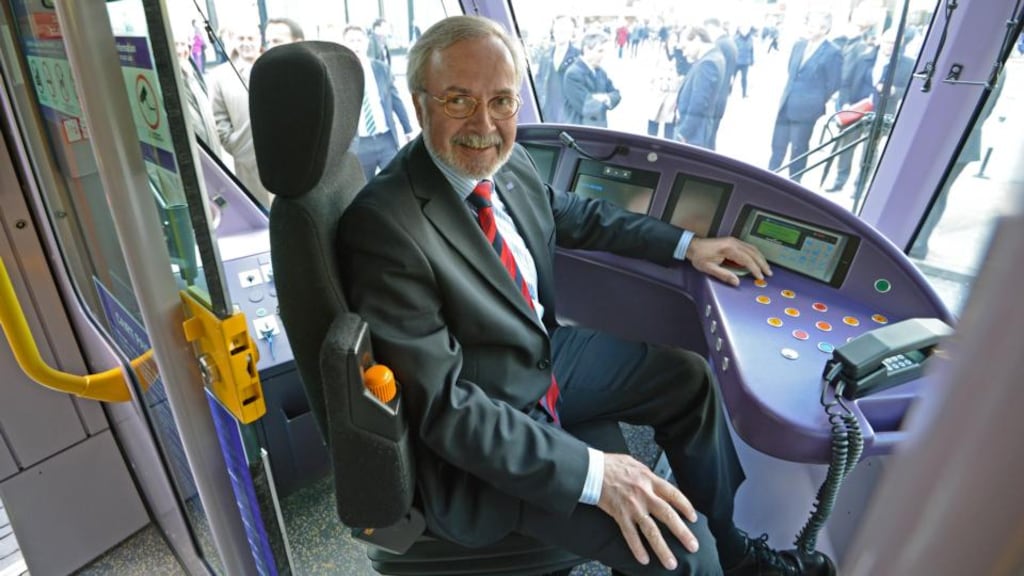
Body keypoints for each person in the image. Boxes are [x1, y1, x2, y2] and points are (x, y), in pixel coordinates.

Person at [338, 14, 836, 576]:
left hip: (537, 363)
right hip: (483, 433)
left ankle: (737, 550)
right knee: (684, 549)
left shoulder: (509, 163)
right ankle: (710, 553)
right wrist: (597, 475)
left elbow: (575, 215)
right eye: (459, 100)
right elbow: (446, 409)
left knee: (688, 377)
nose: (485, 123)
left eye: (502, 101)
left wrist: (686, 245)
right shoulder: (384, 226)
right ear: (420, 102)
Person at [768, 12, 841, 183]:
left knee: (798, 149)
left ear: (825, 29)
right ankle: (768, 179)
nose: (809, 28)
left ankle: (794, 184)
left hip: (807, 110)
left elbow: (834, 82)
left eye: (814, 25)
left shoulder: (833, 52)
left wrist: (814, 100)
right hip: (786, 104)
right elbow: (791, 72)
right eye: (808, 23)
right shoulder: (799, 45)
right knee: (777, 146)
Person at [208, 23, 274, 205]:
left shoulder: (275, 66)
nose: (246, 43)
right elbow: (218, 117)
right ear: (233, 41)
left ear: (259, 39)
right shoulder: (220, 76)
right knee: (259, 209)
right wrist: (235, 145)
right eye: (241, 38)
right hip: (247, 159)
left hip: (282, 152)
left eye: (251, 38)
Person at [340, 24, 415, 181]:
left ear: (366, 42)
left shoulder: (381, 69)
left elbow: (396, 100)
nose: (355, 45)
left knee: (397, 183)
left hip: (386, 140)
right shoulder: (340, 74)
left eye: (359, 40)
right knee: (363, 191)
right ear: (344, 44)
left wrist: (407, 129)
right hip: (360, 145)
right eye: (351, 41)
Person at [827, 17, 878, 192]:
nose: (889, 46)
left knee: (869, 151)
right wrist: (846, 102)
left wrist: (896, 90)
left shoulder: (903, 63)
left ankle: (860, 186)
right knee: (847, 145)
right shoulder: (865, 56)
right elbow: (847, 79)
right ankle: (840, 180)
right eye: (887, 42)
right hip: (858, 107)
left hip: (878, 112)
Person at [674, 27, 726, 149]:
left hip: (693, 135)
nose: (684, 53)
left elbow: (699, 104)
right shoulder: (715, 56)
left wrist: (683, 133)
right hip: (698, 130)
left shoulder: (707, 63)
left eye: (685, 47)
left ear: (696, 39)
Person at [562, 31, 621, 127]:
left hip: (598, 129)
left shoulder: (601, 72)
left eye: (605, 51)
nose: (603, 55)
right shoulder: (573, 74)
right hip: (580, 132)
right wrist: (606, 99)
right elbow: (587, 107)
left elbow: (616, 94)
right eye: (600, 51)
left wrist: (605, 98)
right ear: (586, 50)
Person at [534, 15, 580, 123]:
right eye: (558, 27)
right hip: (547, 113)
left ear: (572, 32)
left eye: (565, 28)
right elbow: (539, 79)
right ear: (553, 30)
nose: (561, 31)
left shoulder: (579, 56)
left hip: (569, 116)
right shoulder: (545, 55)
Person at [704, 18, 736, 151]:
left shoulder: (720, 45)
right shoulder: (729, 43)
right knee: (711, 137)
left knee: (708, 140)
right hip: (721, 97)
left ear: (712, 27)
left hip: (715, 98)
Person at [733, 25, 755, 98]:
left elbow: (752, 50)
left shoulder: (751, 39)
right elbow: (732, 50)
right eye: (743, 29)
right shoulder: (735, 39)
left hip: (745, 62)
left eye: (746, 29)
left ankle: (744, 93)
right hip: (736, 62)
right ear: (740, 30)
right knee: (732, 77)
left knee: (744, 78)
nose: (745, 31)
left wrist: (752, 60)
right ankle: (728, 91)